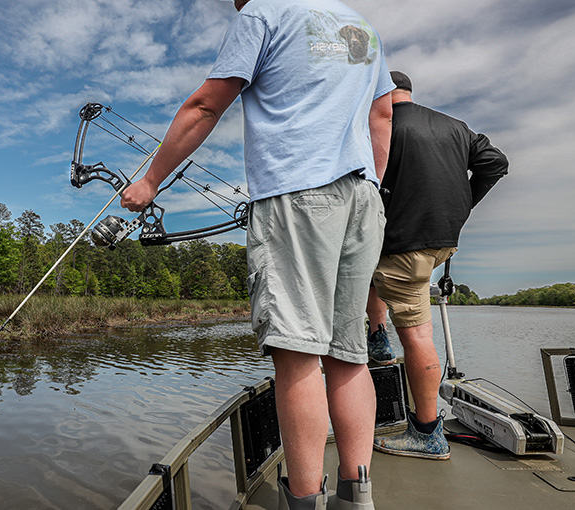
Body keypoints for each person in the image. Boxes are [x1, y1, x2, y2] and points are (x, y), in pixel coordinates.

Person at [120, 1, 393, 508]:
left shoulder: (263, 15)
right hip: (364, 198)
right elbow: (382, 115)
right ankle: (358, 499)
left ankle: (306, 501)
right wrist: (373, 188)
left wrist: (150, 182)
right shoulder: (360, 25)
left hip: (297, 196)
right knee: (350, 358)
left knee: (299, 359)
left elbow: (205, 105)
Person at [368, 70, 508, 460]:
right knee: (365, 262)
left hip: (404, 245)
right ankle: (377, 336)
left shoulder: (380, 126)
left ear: (380, 91)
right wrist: (463, 204)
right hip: (441, 240)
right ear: (409, 92)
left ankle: (427, 433)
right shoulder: (455, 126)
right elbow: (495, 162)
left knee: (416, 336)